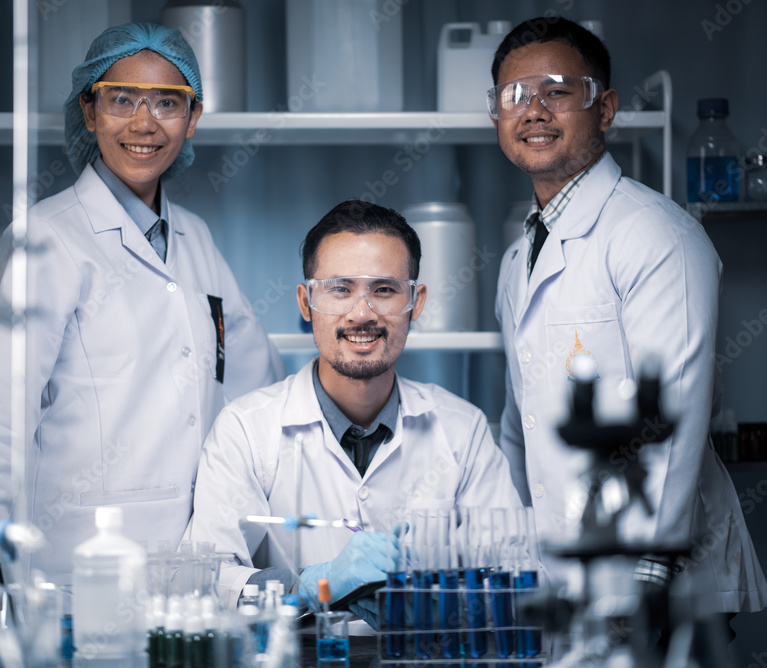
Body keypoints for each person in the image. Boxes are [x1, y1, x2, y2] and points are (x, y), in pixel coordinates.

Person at [0, 22, 284, 651]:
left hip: (196, 573)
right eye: (121, 99)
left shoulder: (197, 241)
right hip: (80, 579)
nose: (144, 123)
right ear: (89, 112)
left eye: (167, 102)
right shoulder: (49, 240)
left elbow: (261, 392)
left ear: (194, 117)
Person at [489, 16, 767, 633]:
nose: (533, 109)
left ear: (606, 107)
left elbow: (673, 416)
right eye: (514, 95)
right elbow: (521, 423)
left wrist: (641, 584)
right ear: (496, 118)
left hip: (661, 587)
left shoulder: (655, 233)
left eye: (557, 90)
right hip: (568, 580)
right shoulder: (518, 260)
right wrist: (518, 560)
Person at [184, 200, 522, 624]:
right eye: (340, 289)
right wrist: (312, 587)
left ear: (415, 303)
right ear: (306, 303)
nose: (362, 314)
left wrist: (443, 602)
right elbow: (207, 580)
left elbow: (512, 575)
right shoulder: (246, 430)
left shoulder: (462, 429)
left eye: (383, 289)